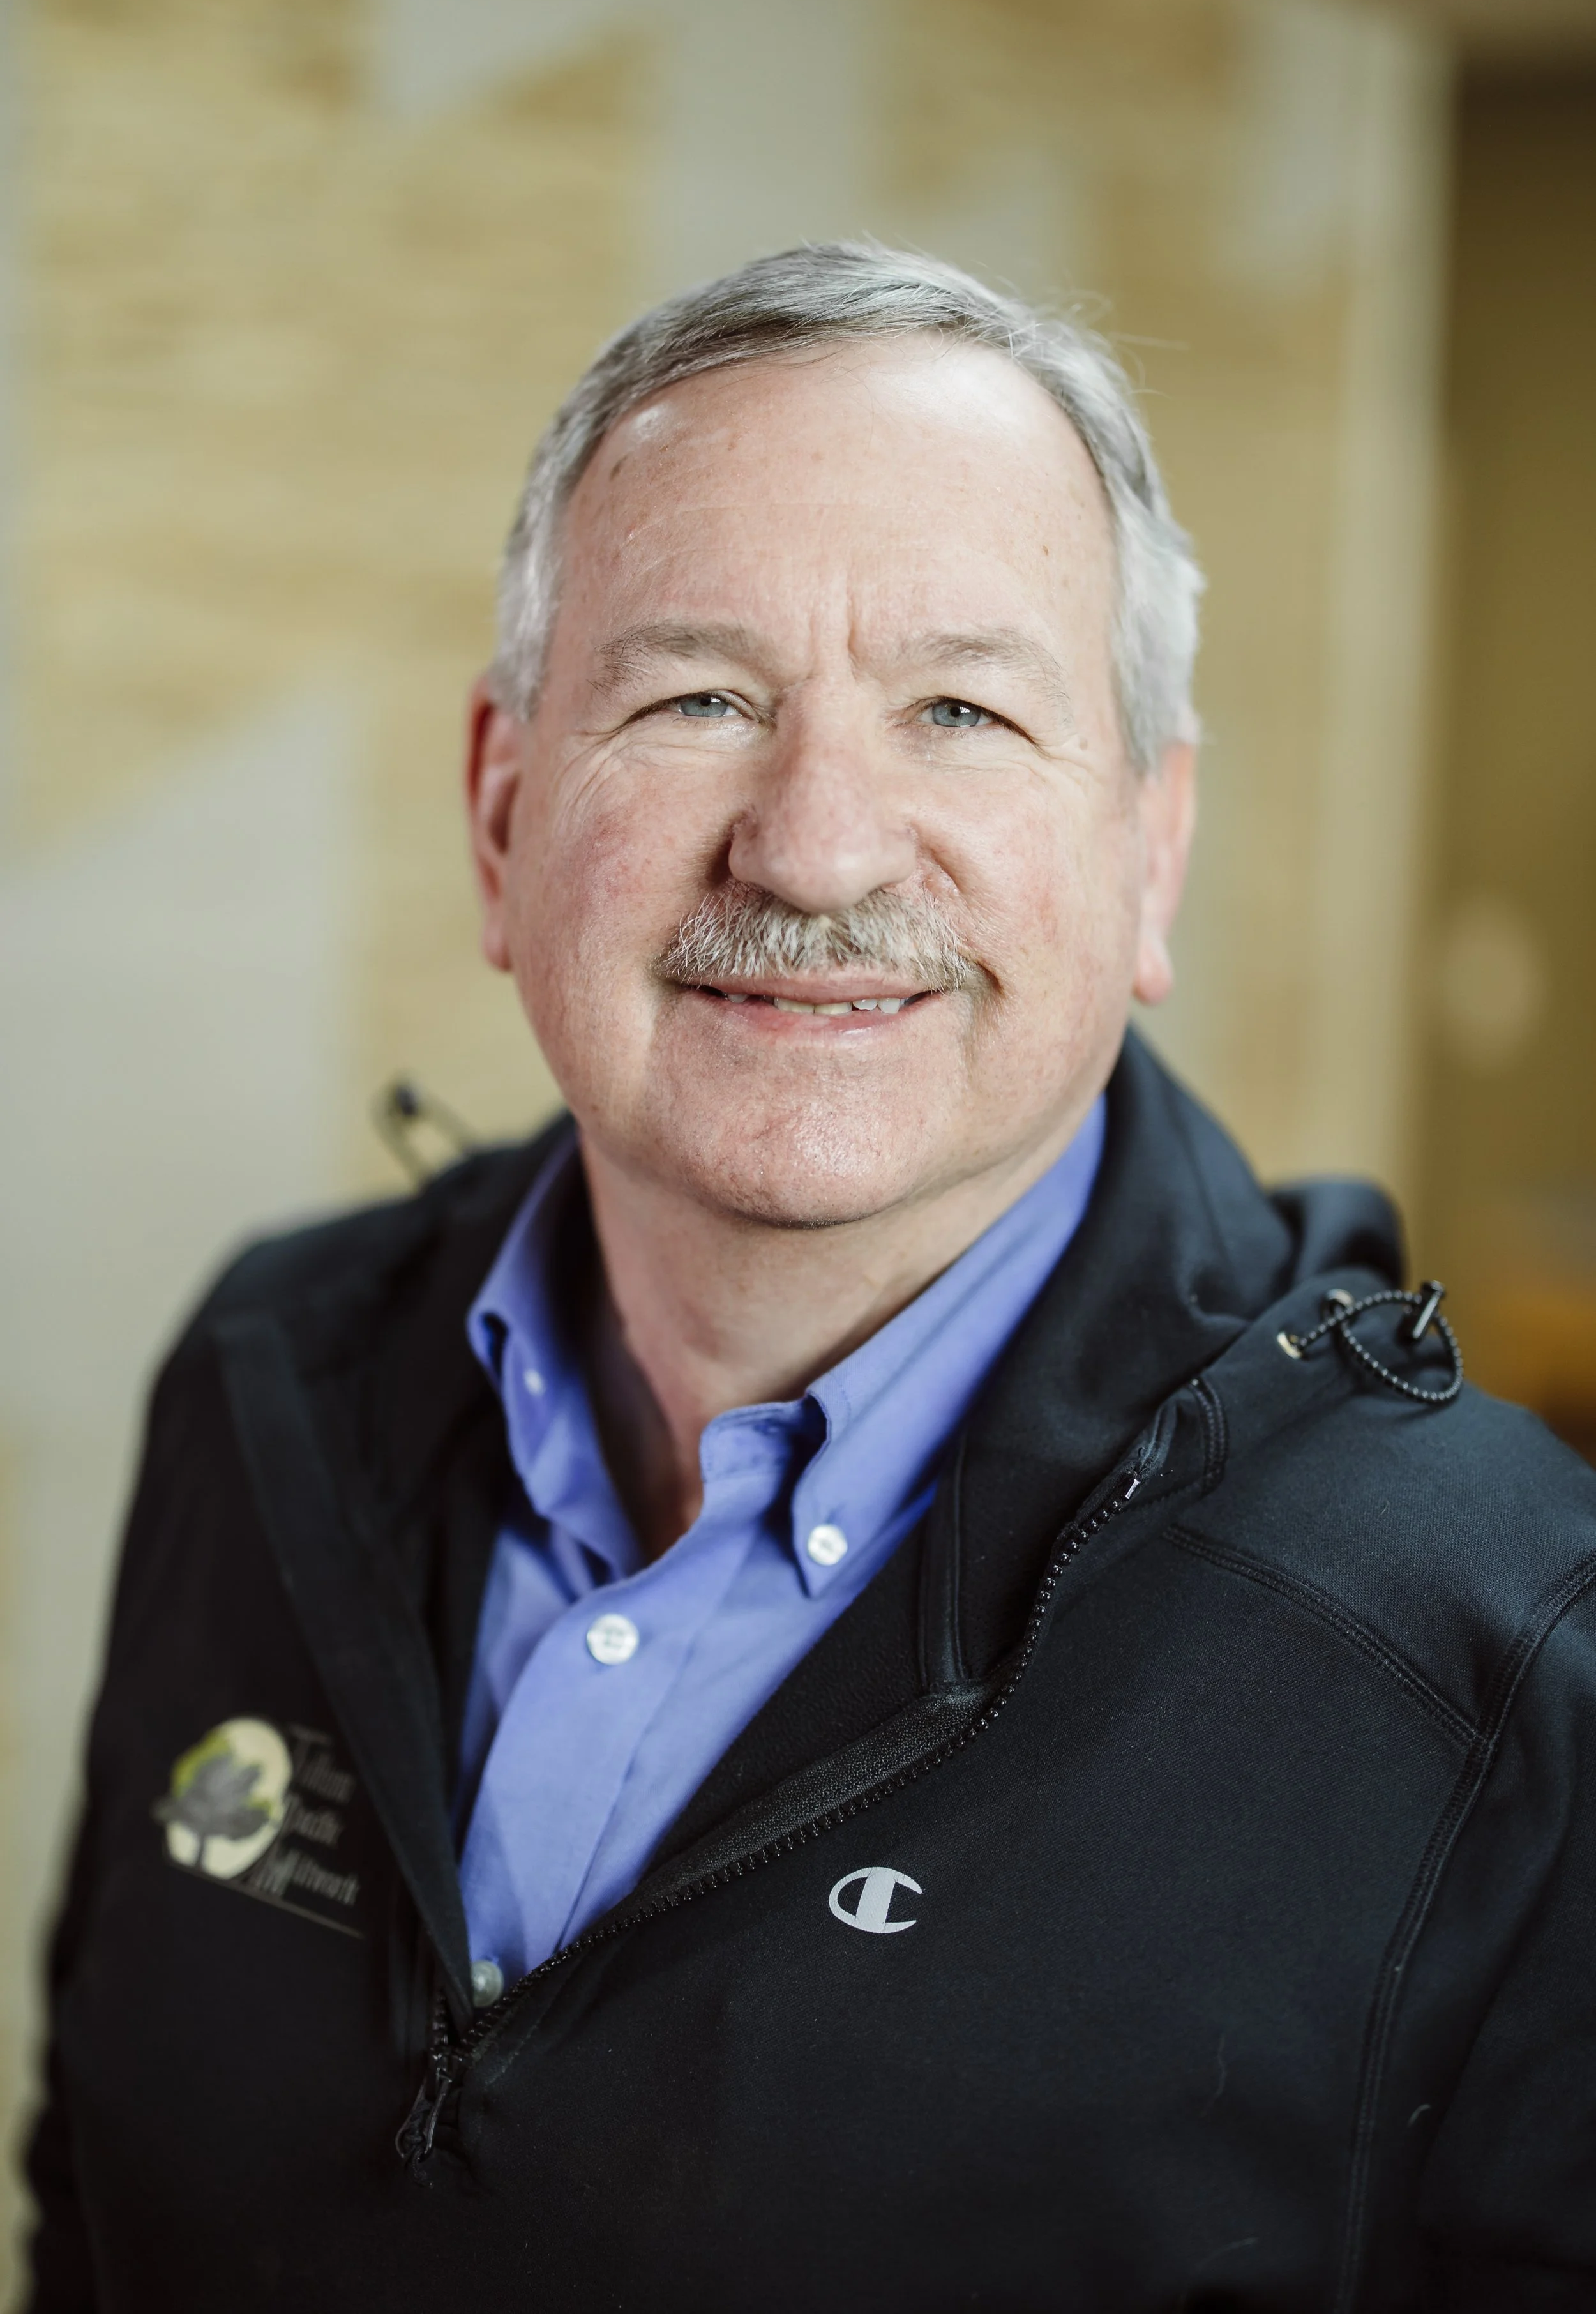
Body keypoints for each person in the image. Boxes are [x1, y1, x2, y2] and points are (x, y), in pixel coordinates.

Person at [24, 243, 1596, 2314]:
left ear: (1150, 851)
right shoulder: (263, 1372)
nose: (821, 846)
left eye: (960, 707)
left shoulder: (1497, 1658)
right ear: (502, 817)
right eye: (697, 698)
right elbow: (97, 2194)